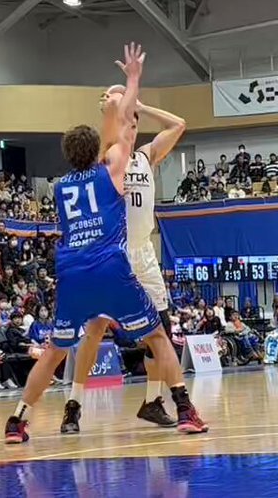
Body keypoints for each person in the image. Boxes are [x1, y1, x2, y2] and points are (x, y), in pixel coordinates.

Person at [5, 43, 207, 445]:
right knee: (144, 335)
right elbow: (117, 127)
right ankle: (180, 407)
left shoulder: (70, 181)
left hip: (85, 263)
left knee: (58, 349)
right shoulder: (112, 162)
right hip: (112, 260)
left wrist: (128, 102)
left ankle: (18, 419)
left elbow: (163, 125)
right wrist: (130, 83)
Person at [66, 80, 188, 428]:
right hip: (112, 253)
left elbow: (179, 124)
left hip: (144, 253)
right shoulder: (105, 157)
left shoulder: (146, 156)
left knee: (161, 333)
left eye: (132, 118)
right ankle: (74, 404)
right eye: (123, 116)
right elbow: (108, 126)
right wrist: (114, 99)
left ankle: (152, 401)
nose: (128, 122)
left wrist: (142, 106)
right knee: (95, 330)